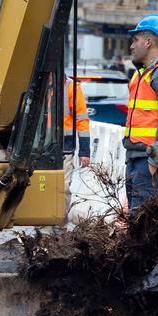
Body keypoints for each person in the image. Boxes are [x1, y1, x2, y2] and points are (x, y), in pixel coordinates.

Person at [122, 14, 158, 209]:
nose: (132, 46)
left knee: (143, 221)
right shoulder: (142, 73)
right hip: (135, 158)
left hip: (148, 160)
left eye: (135, 40)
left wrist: (154, 159)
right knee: (137, 219)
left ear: (149, 41)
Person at [63, 75, 91, 218]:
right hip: (41, 145)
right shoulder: (39, 84)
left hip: (64, 146)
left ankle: (58, 226)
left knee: (62, 187)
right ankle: (46, 227)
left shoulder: (71, 87)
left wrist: (84, 151)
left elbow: (82, 121)